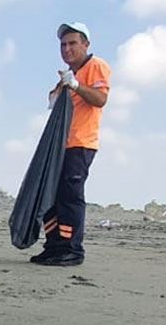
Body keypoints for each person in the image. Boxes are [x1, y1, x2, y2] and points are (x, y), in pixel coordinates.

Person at [32, 22, 110, 266]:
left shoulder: (95, 66)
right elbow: (53, 104)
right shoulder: (68, 76)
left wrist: (76, 85)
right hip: (59, 147)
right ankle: (54, 246)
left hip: (80, 144)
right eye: (63, 44)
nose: (67, 48)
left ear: (85, 44)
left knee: (70, 197)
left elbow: (100, 99)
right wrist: (59, 91)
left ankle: (72, 249)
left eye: (73, 43)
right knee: (51, 197)